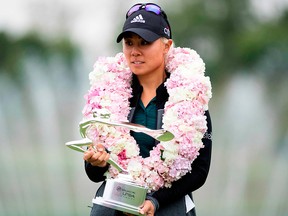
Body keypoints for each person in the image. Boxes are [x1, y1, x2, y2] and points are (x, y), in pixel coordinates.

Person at [83, 3, 212, 216]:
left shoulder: (189, 95)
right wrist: (96, 162)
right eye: (129, 43)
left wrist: (156, 201)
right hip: (115, 206)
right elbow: (95, 174)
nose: (134, 51)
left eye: (144, 43)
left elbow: (199, 171)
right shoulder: (107, 95)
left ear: (166, 45)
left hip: (169, 205)